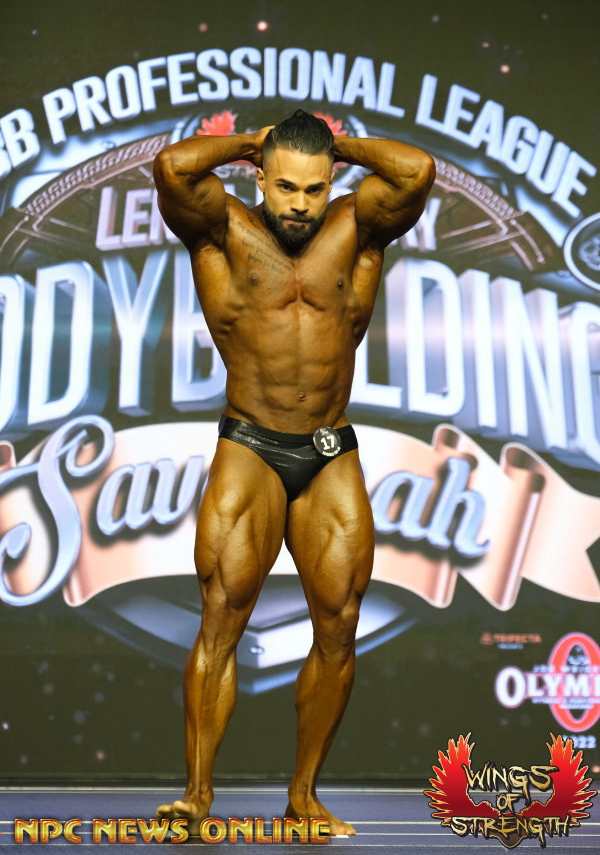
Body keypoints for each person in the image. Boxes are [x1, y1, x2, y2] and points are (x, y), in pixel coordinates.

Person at [153, 109, 435, 836]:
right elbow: (174, 169)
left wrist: (340, 147)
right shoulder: (222, 230)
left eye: (314, 188)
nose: (301, 204)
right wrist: (253, 140)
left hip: (329, 450)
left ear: (332, 180)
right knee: (221, 619)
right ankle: (196, 795)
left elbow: (416, 171)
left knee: (339, 626)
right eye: (285, 187)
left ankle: (304, 795)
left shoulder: (357, 227)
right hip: (250, 445)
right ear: (259, 177)